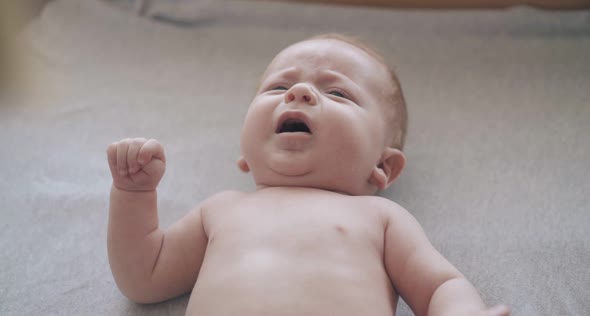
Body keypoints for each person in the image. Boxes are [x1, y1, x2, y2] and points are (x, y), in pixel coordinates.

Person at [106, 34, 510, 316]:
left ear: (383, 166)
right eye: (277, 87)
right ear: (245, 155)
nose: (298, 92)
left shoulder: (380, 218)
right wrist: (133, 195)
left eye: (338, 93)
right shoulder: (222, 210)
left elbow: (439, 285)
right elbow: (144, 277)